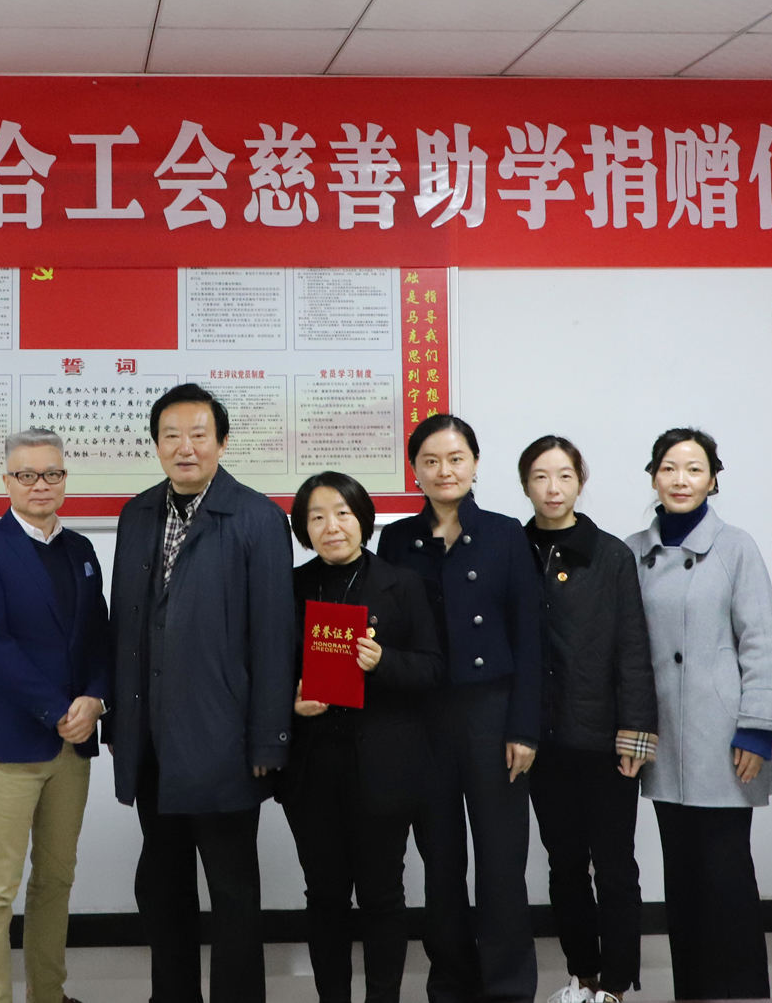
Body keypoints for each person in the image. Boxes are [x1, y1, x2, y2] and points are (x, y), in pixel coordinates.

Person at [106, 383, 295, 1003]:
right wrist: (121, 726)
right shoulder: (137, 514)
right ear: (156, 444)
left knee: (233, 892)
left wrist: (268, 738)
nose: (184, 448)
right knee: (162, 889)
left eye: (198, 435)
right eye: (171, 436)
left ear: (222, 442)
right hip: (151, 740)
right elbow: (125, 626)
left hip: (224, 742)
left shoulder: (257, 517)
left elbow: (274, 636)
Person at [378, 414, 541, 1003]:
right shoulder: (398, 540)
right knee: (440, 859)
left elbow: (529, 636)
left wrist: (525, 727)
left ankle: (508, 986)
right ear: (414, 470)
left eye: (455, 459)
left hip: (492, 714)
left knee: (501, 859)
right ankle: (451, 982)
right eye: (430, 461)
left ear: (474, 463)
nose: (443, 471)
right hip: (423, 717)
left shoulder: (504, 534)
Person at [627, 427, 772, 1002]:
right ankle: (692, 993)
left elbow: (761, 642)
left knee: (726, 876)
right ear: (654, 477)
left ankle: (743, 995)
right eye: (669, 468)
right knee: (682, 877)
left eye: (694, 469)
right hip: (662, 738)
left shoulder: (736, 547)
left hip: (724, 737)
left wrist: (757, 729)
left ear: (713, 480)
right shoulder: (631, 552)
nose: (681, 480)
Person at [0, 429, 112, 1003]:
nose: (40, 484)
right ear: (7, 482)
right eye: (26, 475)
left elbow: (100, 637)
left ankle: (48, 993)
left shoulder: (81, 550)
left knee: (56, 879)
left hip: (74, 744)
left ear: (65, 479)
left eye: (52, 474)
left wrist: (96, 699)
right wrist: (56, 710)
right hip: (14, 741)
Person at [279, 472, 441, 1003]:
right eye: (317, 517)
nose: (332, 526)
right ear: (304, 529)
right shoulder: (290, 587)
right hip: (313, 767)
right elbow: (266, 669)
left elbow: (432, 668)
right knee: (324, 895)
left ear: (363, 520)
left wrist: (383, 661)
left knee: (382, 895)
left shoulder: (402, 584)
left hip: (384, 767)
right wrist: (290, 701)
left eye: (343, 513)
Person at [519, 436, 657, 1003]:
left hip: (606, 740)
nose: (553, 488)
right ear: (525, 484)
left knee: (616, 865)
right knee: (565, 864)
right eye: (540, 477)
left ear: (581, 481)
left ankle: (618, 984)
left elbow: (633, 647)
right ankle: (584, 976)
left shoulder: (611, 555)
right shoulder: (513, 550)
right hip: (540, 739)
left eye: (564, 476)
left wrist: (636, 736)